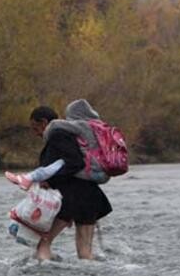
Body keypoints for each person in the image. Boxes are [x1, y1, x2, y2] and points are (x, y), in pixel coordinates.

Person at [7, 104, 112, 261]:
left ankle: (46, 275)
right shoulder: (69, 134)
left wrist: (49, 179)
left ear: (43, 122)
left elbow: (75, 163)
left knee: (43, 243)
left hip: (74, 198)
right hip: (90, 197)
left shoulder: (58, 135)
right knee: (85, 255)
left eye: (35, 128)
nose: (35, 133)